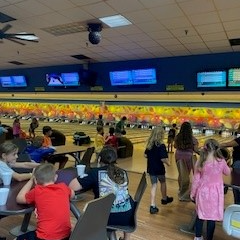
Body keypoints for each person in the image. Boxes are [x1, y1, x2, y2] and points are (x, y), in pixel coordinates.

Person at [69, 146, 134, 240]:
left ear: (99, 159)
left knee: (82, 220)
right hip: (127, 217)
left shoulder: (95, 172)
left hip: (105, 218)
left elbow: (72, 186)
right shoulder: (123, 172)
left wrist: (85, 178)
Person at [16, 163, 75, 240]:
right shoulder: (63, 187)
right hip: (66, 236)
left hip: (45, 237)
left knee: (19, 238)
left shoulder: (37, 191)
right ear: (56, 177)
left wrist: (31, 180)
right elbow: (72, 194)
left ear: (36, 181)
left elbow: (19, 198)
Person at [190, 139, 231, 240]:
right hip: (216, 194)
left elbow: (196, 180)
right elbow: (227, 172)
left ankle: (198, 237)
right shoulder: (221, 161)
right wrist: (228, 163)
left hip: (203, 192)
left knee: (200, 215)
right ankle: (209, 238)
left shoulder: (201, 161)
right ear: (217, 148)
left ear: (205, 148)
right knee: (212, 218)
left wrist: (192, 193)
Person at [144, 127, 173, 214]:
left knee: (154, 185)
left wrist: (152, 157)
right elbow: (163, 159)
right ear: (161, 135)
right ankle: (164, 199)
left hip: (151, 168)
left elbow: (145, 155)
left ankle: (152, 205)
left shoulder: (149, 145)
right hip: (159, 169)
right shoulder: (161, 145)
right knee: (163, 182)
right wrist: (169, 163)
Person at [174, 121, 199, 201]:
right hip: (188, 157)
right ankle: (184, 193)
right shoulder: (193, 139)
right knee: (186, 175)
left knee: (181, 174)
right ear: (190, 129)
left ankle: (180, 190)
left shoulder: (177, 137)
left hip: (178, 155)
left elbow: (175, 146)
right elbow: (196, 150)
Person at [221, 124, 240, 204]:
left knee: (236, 187)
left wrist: (214, 144)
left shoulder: (239, 140)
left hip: (238, 164)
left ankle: (237, 206)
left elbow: (226, 144)